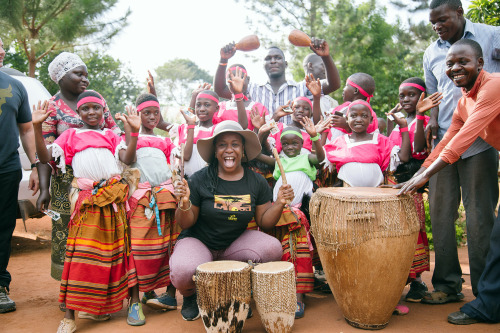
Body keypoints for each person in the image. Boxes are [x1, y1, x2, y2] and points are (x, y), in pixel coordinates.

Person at [399, 39, 500, 325]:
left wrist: (425, 176)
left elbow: (464, 140)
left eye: (463, 62)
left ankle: (488, 305)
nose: (455, 68)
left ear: (480, 64)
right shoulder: (462, 102)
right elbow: (447, 141)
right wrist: (423, 170)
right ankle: (490, 303)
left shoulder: (492, 86)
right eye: (449, 64)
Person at [33, 91, 140, 333]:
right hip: (87, 201)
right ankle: (70, 316)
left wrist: (133, 132)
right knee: (80, 255)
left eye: (96, 108)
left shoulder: (112, 135)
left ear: (104, 111)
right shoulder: (70, 135)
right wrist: (37, 128)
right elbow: (45, 157)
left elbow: (129, 159)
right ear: (78, 113)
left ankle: (121, 305)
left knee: (119, 252)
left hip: (113, 199)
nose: (91, 112)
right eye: (85, 109)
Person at [169, 120, 292, 321]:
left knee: (272, 249)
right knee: (183, 271)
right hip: (199, 241)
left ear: (243, 150)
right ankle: (191, 296)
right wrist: (183, 203)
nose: (229, 150)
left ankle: (240, 293)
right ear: (215, 151)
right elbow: (186, 223)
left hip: (234, 243)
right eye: (222, 145)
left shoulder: (256, 181)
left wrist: (279, 203)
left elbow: (265, 222)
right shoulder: (199, 179)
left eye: (235, 144)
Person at [421, 0, 500, 303]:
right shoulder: (430, 52)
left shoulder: (492, 36)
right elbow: (433, 95)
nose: (437, 26)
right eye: (433, 22)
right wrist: (429, 121)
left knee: (480, 216)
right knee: (441, 215)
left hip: (481, 141)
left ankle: (484, 292)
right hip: (446, 137)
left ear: (459, 13)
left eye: (442, 19)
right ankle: (446, 285)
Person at [36, 52, 119, 283]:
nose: (85, 79)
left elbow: (115, 133)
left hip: (100, 182)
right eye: (78, 74)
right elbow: (45, 150)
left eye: (86, 74)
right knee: (66, 230)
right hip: (65, 182)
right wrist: (45, 189)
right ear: (61, 77)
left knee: (99, 229)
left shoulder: (95, 99)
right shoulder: (51, 106)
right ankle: (68, 288)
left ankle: (98, 284)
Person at [256, 119, 325, 318]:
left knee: (298, 251)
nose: (290, 147)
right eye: (285, 144)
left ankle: (298, 297)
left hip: (299, 212)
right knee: (279, 250)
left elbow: (320, 158)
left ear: (302, 144)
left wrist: (315, 136)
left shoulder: (306, 158)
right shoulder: (280, 159)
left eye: (295, 143)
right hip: (277, 211)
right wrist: (262, 134)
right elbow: (255, 155)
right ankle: (276, 293)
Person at [125, 93, 180, 326]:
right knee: (138, 249)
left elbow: (172, 165)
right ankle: (135, 302)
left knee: (169, 246)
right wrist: (133, 132)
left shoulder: (165, 141)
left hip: (166, 197)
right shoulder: (128, 137)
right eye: (146, 112)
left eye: (155, 113)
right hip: (141, 200)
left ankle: (164, 294)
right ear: (137, 114)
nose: (151, 117)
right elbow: (129, 160)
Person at [387, 78, 442, 303]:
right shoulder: (402, 120)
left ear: (422, 97)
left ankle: (417, 283)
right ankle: (398, 279)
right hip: (393, 183)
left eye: (411, 95)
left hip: (410, 185)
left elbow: (418, 149)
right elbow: (390, 144)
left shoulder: (425, 120)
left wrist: (419, 116)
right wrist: (393, 118)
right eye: (402, 96)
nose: (406, 99)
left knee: (412, 231)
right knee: (393, 232)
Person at [0, 37, 39, 313]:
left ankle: (0, 286)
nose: (2, 50)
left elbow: (26, 129)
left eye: (2, 45)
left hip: (7, 167)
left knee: (2, 228)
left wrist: (35, 164)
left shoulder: (15, 85)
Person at [215, 39, 341, 124]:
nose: (273, 61)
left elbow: (333, 85)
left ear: (285, 64)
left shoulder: (302, 88)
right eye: (268, 59)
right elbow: (220, 91)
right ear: (263, 65)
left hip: (293, 152)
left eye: (277, 58)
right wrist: (223, 60)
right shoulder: (252, 89)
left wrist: (325, 57)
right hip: (263, 152)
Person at [323, 100, 413, 187]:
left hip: (374, 196)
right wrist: (315, 136)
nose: (358, 119)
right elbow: (319, 159)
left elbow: (404, 157)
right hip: (348, 196)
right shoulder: (339, 142)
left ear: (371, 120)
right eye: (353, 116)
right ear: (347, 119)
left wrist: (404, 127)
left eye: (364, 116)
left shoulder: (380, 140)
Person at [168, 87, 217, 177]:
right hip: (186, 183)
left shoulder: (216, 131)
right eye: (198, 105)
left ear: (217, 108)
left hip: (209, 181)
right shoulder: (184, 128)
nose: (201, 109)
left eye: (207, 105)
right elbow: (185, 156)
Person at [322, 73, 379, 145]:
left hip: (350, 152)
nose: (343, 89)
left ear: (355, 90)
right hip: (331, 150)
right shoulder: (343, 107)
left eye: (346, 86)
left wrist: (347, 125)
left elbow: (370, 132)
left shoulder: (369, 113)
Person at [212, 64, 269, 131]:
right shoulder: (220, 107)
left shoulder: (258, 107)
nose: (237, 81)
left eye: (241, 78)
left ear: (248, 80)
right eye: (231, 79)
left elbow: (270, 132)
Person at [302, 53, 339, 118]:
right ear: (310, 66)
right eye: (323, 65)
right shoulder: (298, 90)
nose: (327, 69)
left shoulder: (331, 101)